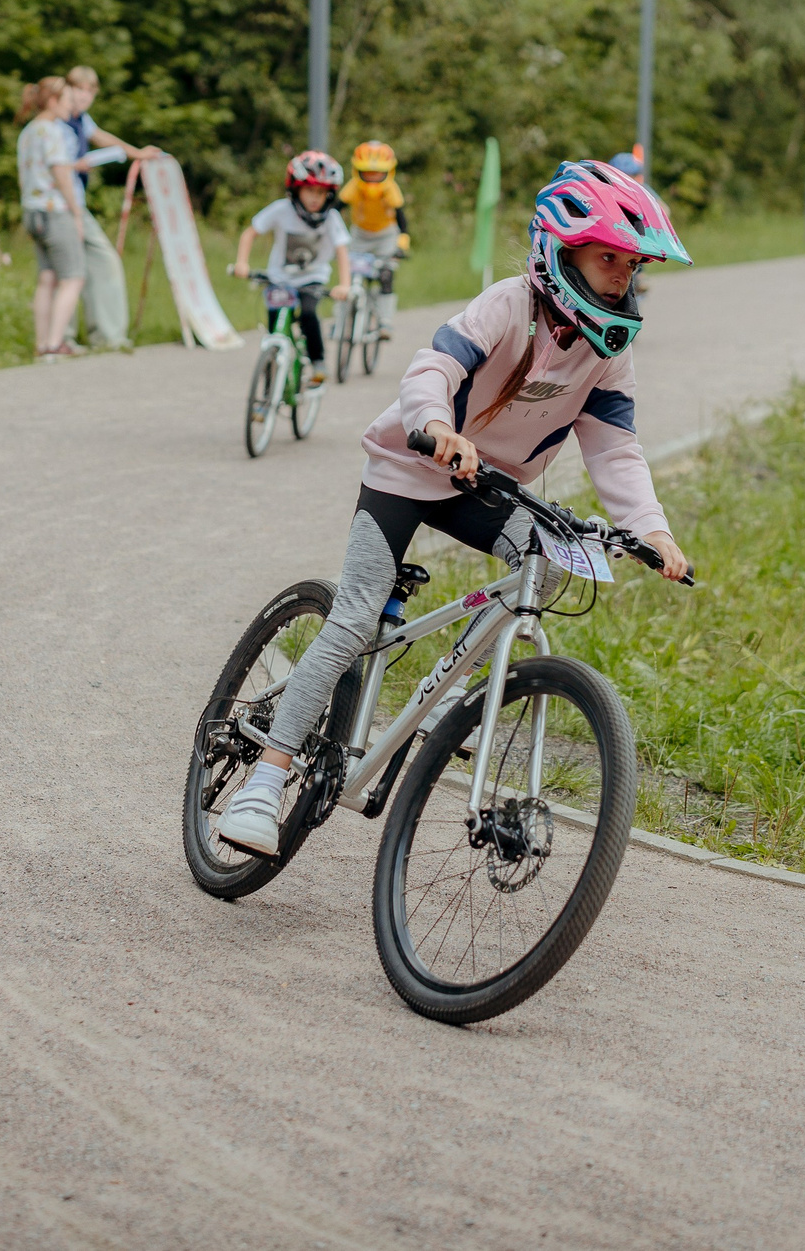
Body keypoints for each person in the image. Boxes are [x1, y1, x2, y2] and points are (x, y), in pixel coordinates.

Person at [214, 160, 693, 854]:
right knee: (352, 618)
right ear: (560, 252)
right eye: (610, 258)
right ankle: (265, 777)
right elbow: (432, 367)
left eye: (633, 264)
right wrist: (437, 426)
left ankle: (455, 701)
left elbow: (617, 448)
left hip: (493, 488)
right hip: (411, 468)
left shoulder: (605, 350)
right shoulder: (507, 304)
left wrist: (651, 528)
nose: (624, 276)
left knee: (549, 564)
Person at [60, 65, 163, 351]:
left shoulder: (81, 120)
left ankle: (93, 336)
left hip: (72, 203)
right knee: (79, 267)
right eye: (78, 89)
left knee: (80, 267)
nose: (82, 97)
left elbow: (103, 138)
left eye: (88, 91)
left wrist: (136, 152)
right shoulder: (57, 120)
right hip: (64, 204)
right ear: (67, 89)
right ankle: (89, 337)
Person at [230, 151, 353, 390]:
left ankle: (317, 362)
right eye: (309, 191)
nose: (315, 198)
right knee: (274, 333)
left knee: (308, 314)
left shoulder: (331, 218)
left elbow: (341, 251)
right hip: (279, 279)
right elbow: (250, 233)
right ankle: (266, 396)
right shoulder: (280, 210)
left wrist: (344, 284)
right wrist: (242, 263)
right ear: (296, 189)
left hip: (312, 279)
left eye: (321, 192)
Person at [15, 78, 88, 358]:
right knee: (73, 277)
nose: (72, 107)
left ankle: (42, 343)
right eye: (68, 101)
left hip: (32, 210)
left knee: (47, 278)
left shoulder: (29, 132)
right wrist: (77, 213)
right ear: (53, 101)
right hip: (54, 210)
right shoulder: (52, 131)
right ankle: (54, 344)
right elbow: (61, 174)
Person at [338, 139, 411, 324]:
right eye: (367, 173)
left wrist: (402, 244)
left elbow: (401, 220)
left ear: (388, 172)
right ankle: (340, 322)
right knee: (348, 278)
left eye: (377, 174)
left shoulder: (391, 190)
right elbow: (335, 209)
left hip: (385, 236)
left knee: (386, 276)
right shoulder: (353, 187)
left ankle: (385, 321)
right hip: (360, 235)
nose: (372, 178)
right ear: (357, 171)